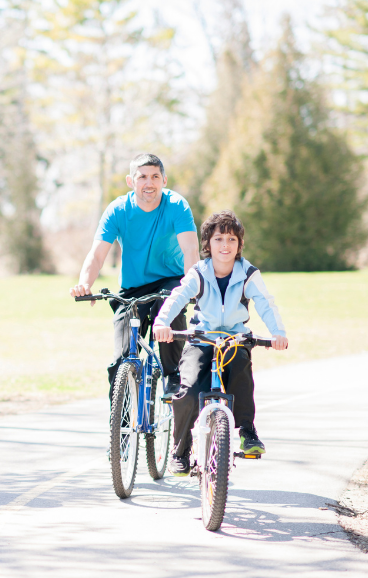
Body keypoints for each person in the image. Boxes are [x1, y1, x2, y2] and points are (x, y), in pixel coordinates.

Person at [152, 210, 288, 476]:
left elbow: (265, 303)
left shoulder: (247, 272)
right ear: (208, 244)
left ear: (239, 245)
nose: (225, 245)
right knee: (189, 391)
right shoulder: (199, 272)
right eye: (218, 239)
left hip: (234, 339)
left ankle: (247, 431)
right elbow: (178, 297)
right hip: (201, 338)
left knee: (241, 375)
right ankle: (180, 450)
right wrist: (162, 322)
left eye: (231, 239)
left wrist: (277, 333)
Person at [69, 153, 200, 399]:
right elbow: (97, 255)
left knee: (168, 305)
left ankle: (173, 375)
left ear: (164, 180)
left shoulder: (177, 206)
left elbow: (190, 250)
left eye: (155, 176)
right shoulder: (118, 210)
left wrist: (193, 287)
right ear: (131, 181)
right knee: (121, 361)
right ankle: (123, 429)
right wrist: (85, 283)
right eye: (142, 177)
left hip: (169, 281)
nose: (148, 183)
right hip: (133, 288)